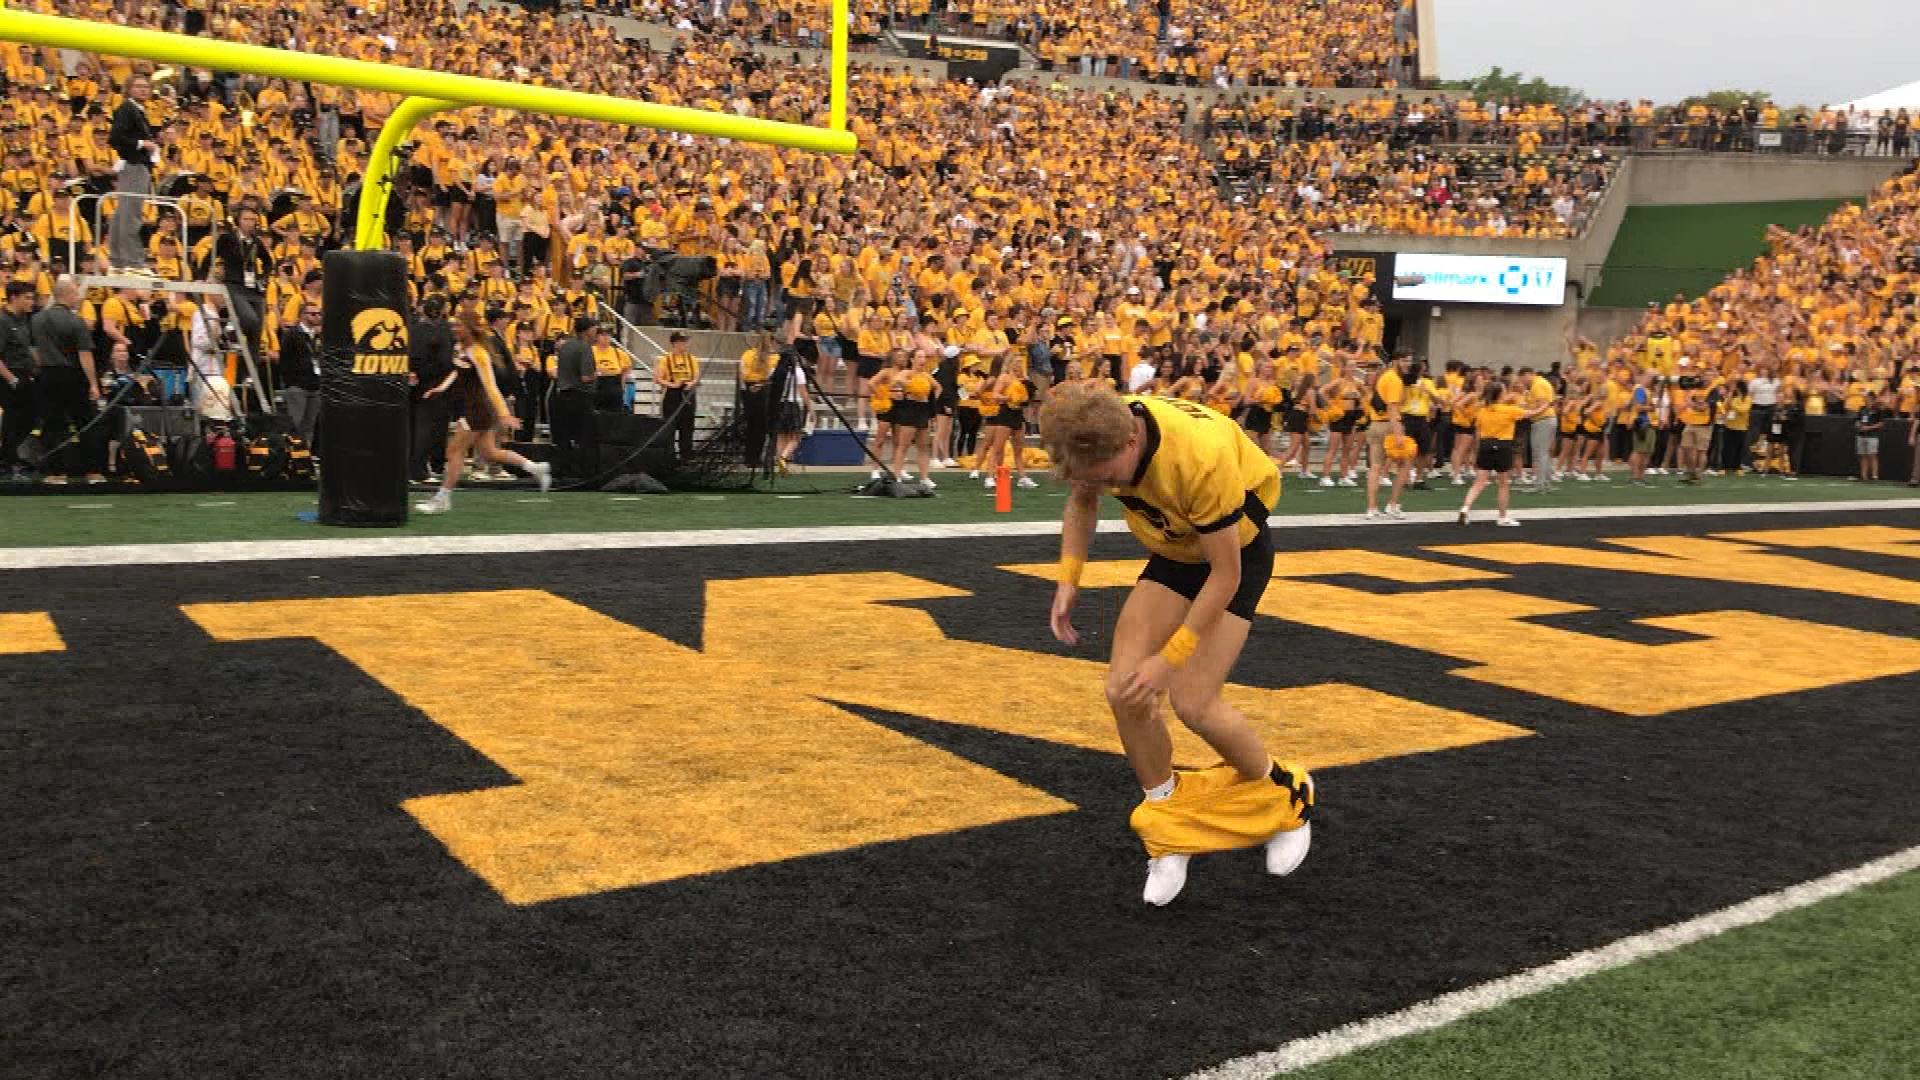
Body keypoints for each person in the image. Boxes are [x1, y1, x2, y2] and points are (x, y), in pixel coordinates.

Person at [1039, 382, 1315, 906]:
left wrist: (1172, 657)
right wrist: (1069, 576)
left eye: (1105, 477)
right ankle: (1170, 833)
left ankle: (1286, 799)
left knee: (1194, 701)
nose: (1097, 486)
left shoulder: (1197, 457)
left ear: (1128, 445)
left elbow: (1226, 574)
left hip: (1233, 558)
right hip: (1175, 552)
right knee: (1125, 691)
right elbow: (1082, 498)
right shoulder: (1098, 433)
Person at [416, 317, 550, 514]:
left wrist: (504, 414)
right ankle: (535, 468)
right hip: (471, 407)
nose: (455, 329)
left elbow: (491, 386)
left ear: (470, 329)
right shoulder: (460, 347)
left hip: (478, 408)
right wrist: (441, 388)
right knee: (489, 453)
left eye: (459, 325)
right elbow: (457, 371)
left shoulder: (479, 353)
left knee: (453, 452)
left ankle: (441, 498)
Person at [28, 277, 102, 485]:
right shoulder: (76, 321)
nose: (78, 297)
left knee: (52, 423)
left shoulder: (37, 319)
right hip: (72, 375)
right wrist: (93, 383)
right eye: (75, 293)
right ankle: (93, 471)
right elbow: (85, 355)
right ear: (67, 295)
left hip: (47, 374)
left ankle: (56, 473)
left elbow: (34, 351)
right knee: (85, 422)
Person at [1458, 379, 1551, 526]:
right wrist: (1546, 404)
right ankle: (1502, 517)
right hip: (1503, 446)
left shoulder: (1482, 411)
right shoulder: (1509, 409)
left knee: (1479, 482)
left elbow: (1477, 431)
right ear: (1501, 394)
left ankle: (1465, 508)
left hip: (1485, 445)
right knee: (1503, 484)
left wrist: (1475, 452)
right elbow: (1533, 413)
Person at [106, 73, 158, 269]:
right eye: (138, 86)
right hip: (135, 166)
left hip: (134, 166)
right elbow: (115, 138)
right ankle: (132, 261)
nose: (143, 89)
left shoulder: (136, 109)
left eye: (145, 86)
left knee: (123, 213)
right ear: (128, 89)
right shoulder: (128, 109)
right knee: (131, 214)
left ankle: (118, 258)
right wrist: (141, 143)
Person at [550, 317, 600, 478]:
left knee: (563, 437)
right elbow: (586, 377)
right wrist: (597, 375)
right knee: (584, 436)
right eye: (594, 328)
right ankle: (582, 472)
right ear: (587, 330)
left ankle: (563, 470)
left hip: (562, 395)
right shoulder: (584, 347)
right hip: (580, 397)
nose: (596, 332)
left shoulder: (565, 346)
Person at [0, 281, 38, 476]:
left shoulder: (23, 320)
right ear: (14, 298)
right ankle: (7, 460)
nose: (32, 302)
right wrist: (11, 379)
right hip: (9, 375)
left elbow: (27, 349)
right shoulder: (3, 320)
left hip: (24, 374)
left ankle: (7, 454)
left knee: (31, 417)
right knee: (12, 418)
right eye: (28, 297)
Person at [280, 300, 323, 444]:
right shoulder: (292, 334)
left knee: (309, 426)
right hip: (298, 386)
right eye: (313, 314)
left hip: (315, 385)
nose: (317, 317)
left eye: (319, 314)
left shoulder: (318, 335)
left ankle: (305, 458)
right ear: (303, 315)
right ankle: (291, 456)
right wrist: (290, 383)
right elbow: (284, 359)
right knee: (295, 424)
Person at [657, 331, 701, 459]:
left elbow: (697, 377)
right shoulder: (666, 359)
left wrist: (691, 383)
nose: (685, 344)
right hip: (672, 395)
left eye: (686, 341)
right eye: (682, 341)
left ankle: (686, 456)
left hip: (688, 394)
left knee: (687, 428)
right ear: (675, 343)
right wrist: (673, 385)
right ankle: (669, 456)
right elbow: (658, 378)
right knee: (670, 427)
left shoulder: (692, 359)